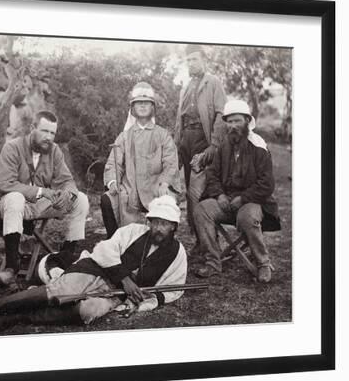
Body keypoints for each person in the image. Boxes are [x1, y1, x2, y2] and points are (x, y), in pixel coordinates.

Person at [0, 195, 187, 335]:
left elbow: (174, 288)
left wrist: (144, 299)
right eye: (155, 221)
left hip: (116, 295)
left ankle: (16, 317)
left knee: (88, 311)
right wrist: (125, 279)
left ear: (174, 227)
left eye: (164, 224)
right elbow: (104, 250)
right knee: (61, 291)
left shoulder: (178, 254)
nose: (157, 228)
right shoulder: (133, 231)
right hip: (95, 270)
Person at [0, 110, 89, 285]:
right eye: (45, 131)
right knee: (15, 197)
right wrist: (42, 191)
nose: (49, 137)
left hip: (37, 206)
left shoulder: (54, 151)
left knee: (81, 199)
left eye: (52, 133)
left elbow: (67, 181)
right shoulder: (12, 147)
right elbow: (5, 183)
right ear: (32, 128)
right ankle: (11, 268)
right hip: (9, 204)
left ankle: (66, 258)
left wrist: (66, 194)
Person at [193, 99, 281, 283]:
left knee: (247, 217)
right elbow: (212, 175)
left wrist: (243, 198)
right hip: (225, 201)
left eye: (237, 121)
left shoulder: (259, 147)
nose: (233, 126)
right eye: (230, 121)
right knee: (202, 210)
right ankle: (213, 263)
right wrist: (219, 195)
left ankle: (263, 263)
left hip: (252, 202)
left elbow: (266, 184)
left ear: (247, 121)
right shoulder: (223, 146)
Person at [101, 82, 181, 239]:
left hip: (157, 187)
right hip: (130, 189)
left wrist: (165, 182)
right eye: (139, 103)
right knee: (108, 199)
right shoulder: (124, 136)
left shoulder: (163, 135)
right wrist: (112, 182)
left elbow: (171, 163)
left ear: (153, 108)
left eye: (147, 103)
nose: (143, 106)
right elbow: (113, 163)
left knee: (167, 201)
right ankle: (115, 242)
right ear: (132, 108)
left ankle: (163, 245)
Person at [174, 44, 227, 255]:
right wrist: (176, 145)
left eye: (194, 59)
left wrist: (213, 145)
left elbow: (221, 115)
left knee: (198, 193)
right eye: (188, 60)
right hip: (185, 141)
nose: (190, 63)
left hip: (202, 141)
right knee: (189, 193)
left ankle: (208, 244)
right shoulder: (186, 87)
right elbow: (180, 119)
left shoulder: (213, 82)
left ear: (204, 60)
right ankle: (199, 241)